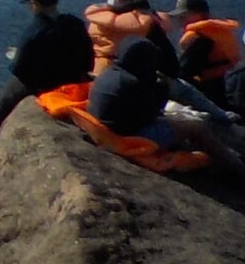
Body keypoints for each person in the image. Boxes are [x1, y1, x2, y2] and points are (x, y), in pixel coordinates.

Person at [86, 38, 245, 183]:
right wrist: (162, 90)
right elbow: (151, 113)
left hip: (113, 127)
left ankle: (222, 153)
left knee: (183, 114)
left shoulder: (110, 73)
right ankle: (237, 168)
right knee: (196, 124)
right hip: (132, 135)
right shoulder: (132, 83)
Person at [0, 0, 96, 147]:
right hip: (74, 80)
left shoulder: (35, 31)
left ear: (34, 4)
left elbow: (18, 68)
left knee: (4, 97)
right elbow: (88, 60)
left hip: (43, 84)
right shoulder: (74, 24)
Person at [86, 0, 177, 74]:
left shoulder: (97, 20)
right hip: (134, 74)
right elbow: (170, 62)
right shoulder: (148, 25)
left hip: (100, 71)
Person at [171, 0, 243, 107]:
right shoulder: (220, 31)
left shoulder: (200, 38)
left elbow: (184, 72)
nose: (180, 19)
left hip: (210, 92)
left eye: (184, 15)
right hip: (226, 84)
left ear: (199, 14)